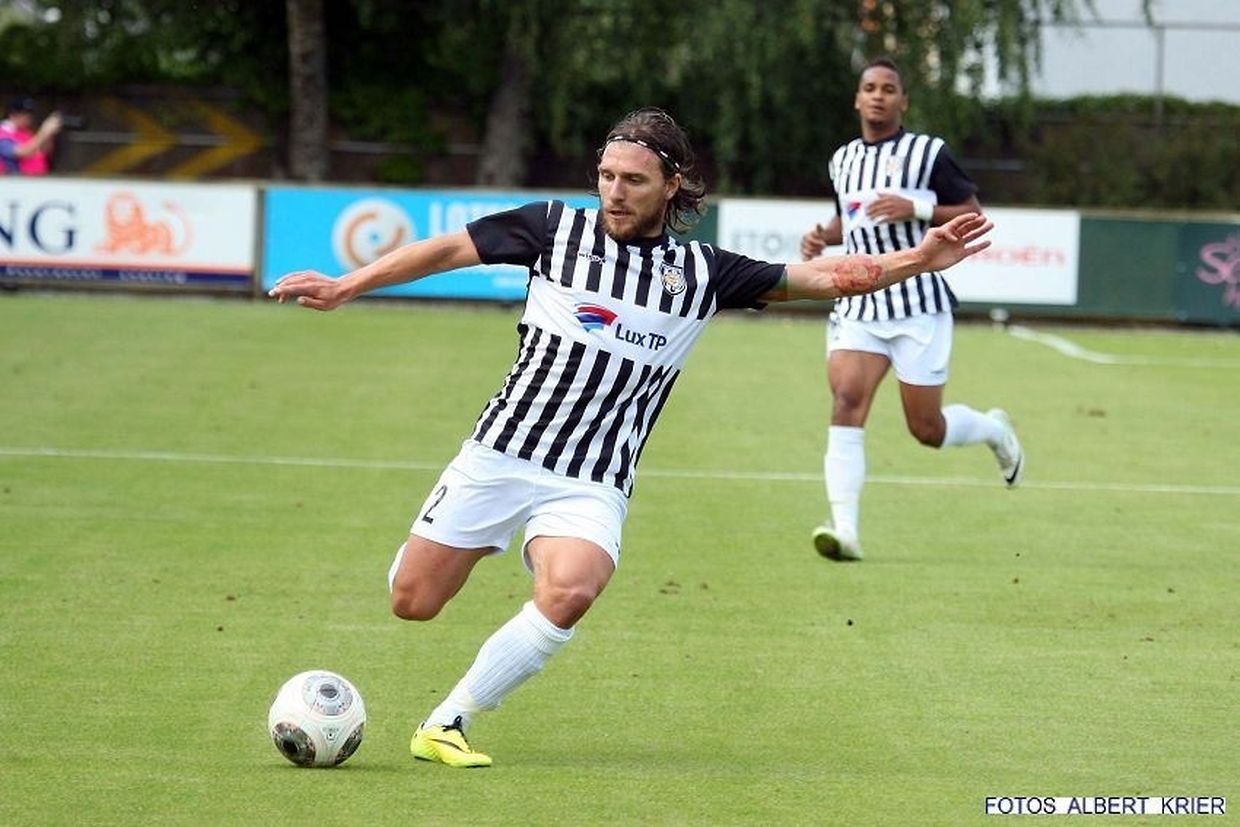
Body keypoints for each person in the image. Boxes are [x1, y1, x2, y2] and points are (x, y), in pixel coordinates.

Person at [269, 107, 992, 768]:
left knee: (574, 586)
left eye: (634, 180)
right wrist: (347, 285)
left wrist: (916, 259)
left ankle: (447, 721)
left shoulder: (704, 273)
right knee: (413, 600)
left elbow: (829, 276)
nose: (614, 193)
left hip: (593, 477)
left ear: (672, 186)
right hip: (501, 453)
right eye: (607, 176)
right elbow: (444, 252)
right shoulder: (551, 229)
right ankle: (445, 556)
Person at [799, 58, 1023, 563]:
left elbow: (973, 213)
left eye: (888, 88)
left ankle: (993, 429)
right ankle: (845, 529)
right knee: (846, 401)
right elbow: (852, 218)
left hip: (917, 303)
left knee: (926, 429)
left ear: (903, 101)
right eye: (869, 88)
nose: (878, 95)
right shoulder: (843, 159)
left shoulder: (928, 153)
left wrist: (917, 208)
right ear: (857, 99)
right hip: (860, 301)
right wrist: (822, 236)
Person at [0, 97, 61, 175]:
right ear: (13, 115)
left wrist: (49, 134)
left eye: (30, 114)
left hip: (35, 178)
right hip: (14, 180)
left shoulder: (25, 132)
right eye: (25, 114)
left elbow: (45, 150)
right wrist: (44, 132)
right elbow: (22, 152)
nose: (29, 118)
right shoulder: (3, 133)